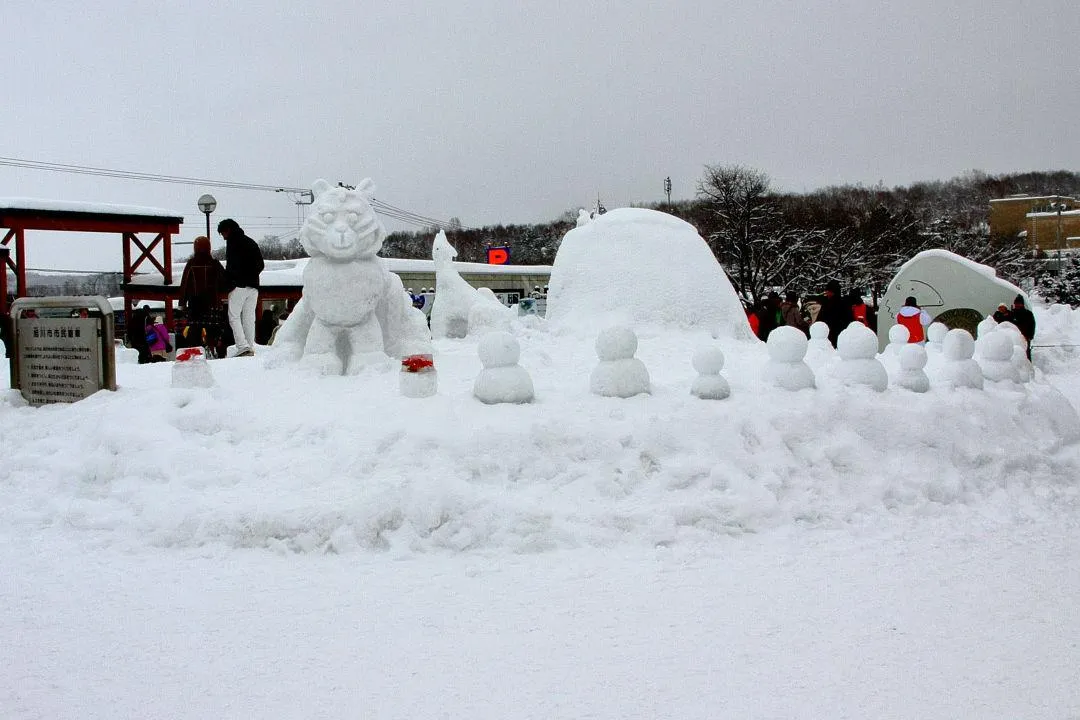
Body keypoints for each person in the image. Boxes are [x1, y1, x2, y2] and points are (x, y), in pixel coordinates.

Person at [218, 218, 264, 357]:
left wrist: (231, 280)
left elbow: (231, 266)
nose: (223, 237)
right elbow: (260, 264)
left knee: (234, 316)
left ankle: (242, 346)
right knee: (249, 317)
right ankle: (250, 345)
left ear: (227, 230)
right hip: (254, 286)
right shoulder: (250, 242)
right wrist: (251, 276)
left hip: (238, 285)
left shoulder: (233, 243)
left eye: (222, 233)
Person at [179, 235, 228, 358]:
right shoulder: (214, 263)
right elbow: (224, 281)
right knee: (213, 330)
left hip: (195, 305)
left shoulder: (191, 264)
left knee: (195, 330)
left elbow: (184, 284)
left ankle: (195, 353)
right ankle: (214, 350)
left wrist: (182, 302)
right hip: (212, 304)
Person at [817, 280, 853, 348]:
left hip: (838, 334)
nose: (826, 292)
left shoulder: (842, 303)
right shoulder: (826, 302)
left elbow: (848, 319)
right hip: (827, 334)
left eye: (829, 291)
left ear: (834, 292)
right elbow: (820, 318)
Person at [1009, 294, 1036, 361]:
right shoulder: (1012, 313)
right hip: (1014, 337)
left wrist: (1029, 336)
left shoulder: (1028, 314)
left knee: (1026, 353)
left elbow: (1032, 325)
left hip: (1025, 337)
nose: (1017, 305)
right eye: (1016, 303)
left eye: (1019, 303)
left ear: (1022, 304)